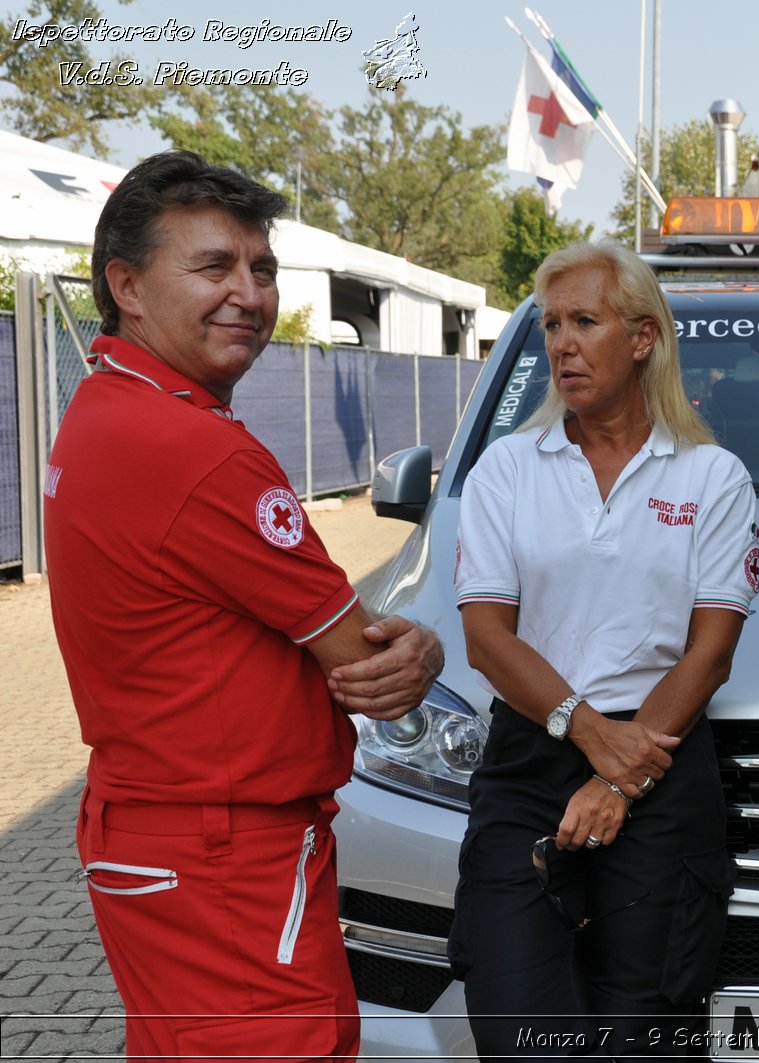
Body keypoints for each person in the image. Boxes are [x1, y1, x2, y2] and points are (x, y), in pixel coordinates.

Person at [44, 150, 444, 1062]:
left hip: (154, 833)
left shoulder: (104, 406)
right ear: (127, 285)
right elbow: (367, 662)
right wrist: (418, 649)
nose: (249, 294)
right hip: (223, 854)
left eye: (261, 268)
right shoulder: (197, 450)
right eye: (213, 266)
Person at [450, 241, 759, 1059]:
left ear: (644, 337)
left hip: (660, 757)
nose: (562, 344)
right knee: (521, 1028)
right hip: (533, 756)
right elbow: (485, 637)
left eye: (585, 320)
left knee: (645, 1034)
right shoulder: (506, 470)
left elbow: (710, 654)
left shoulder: (712, 477)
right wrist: (590, 735)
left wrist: (620, 777)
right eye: (552, 325)